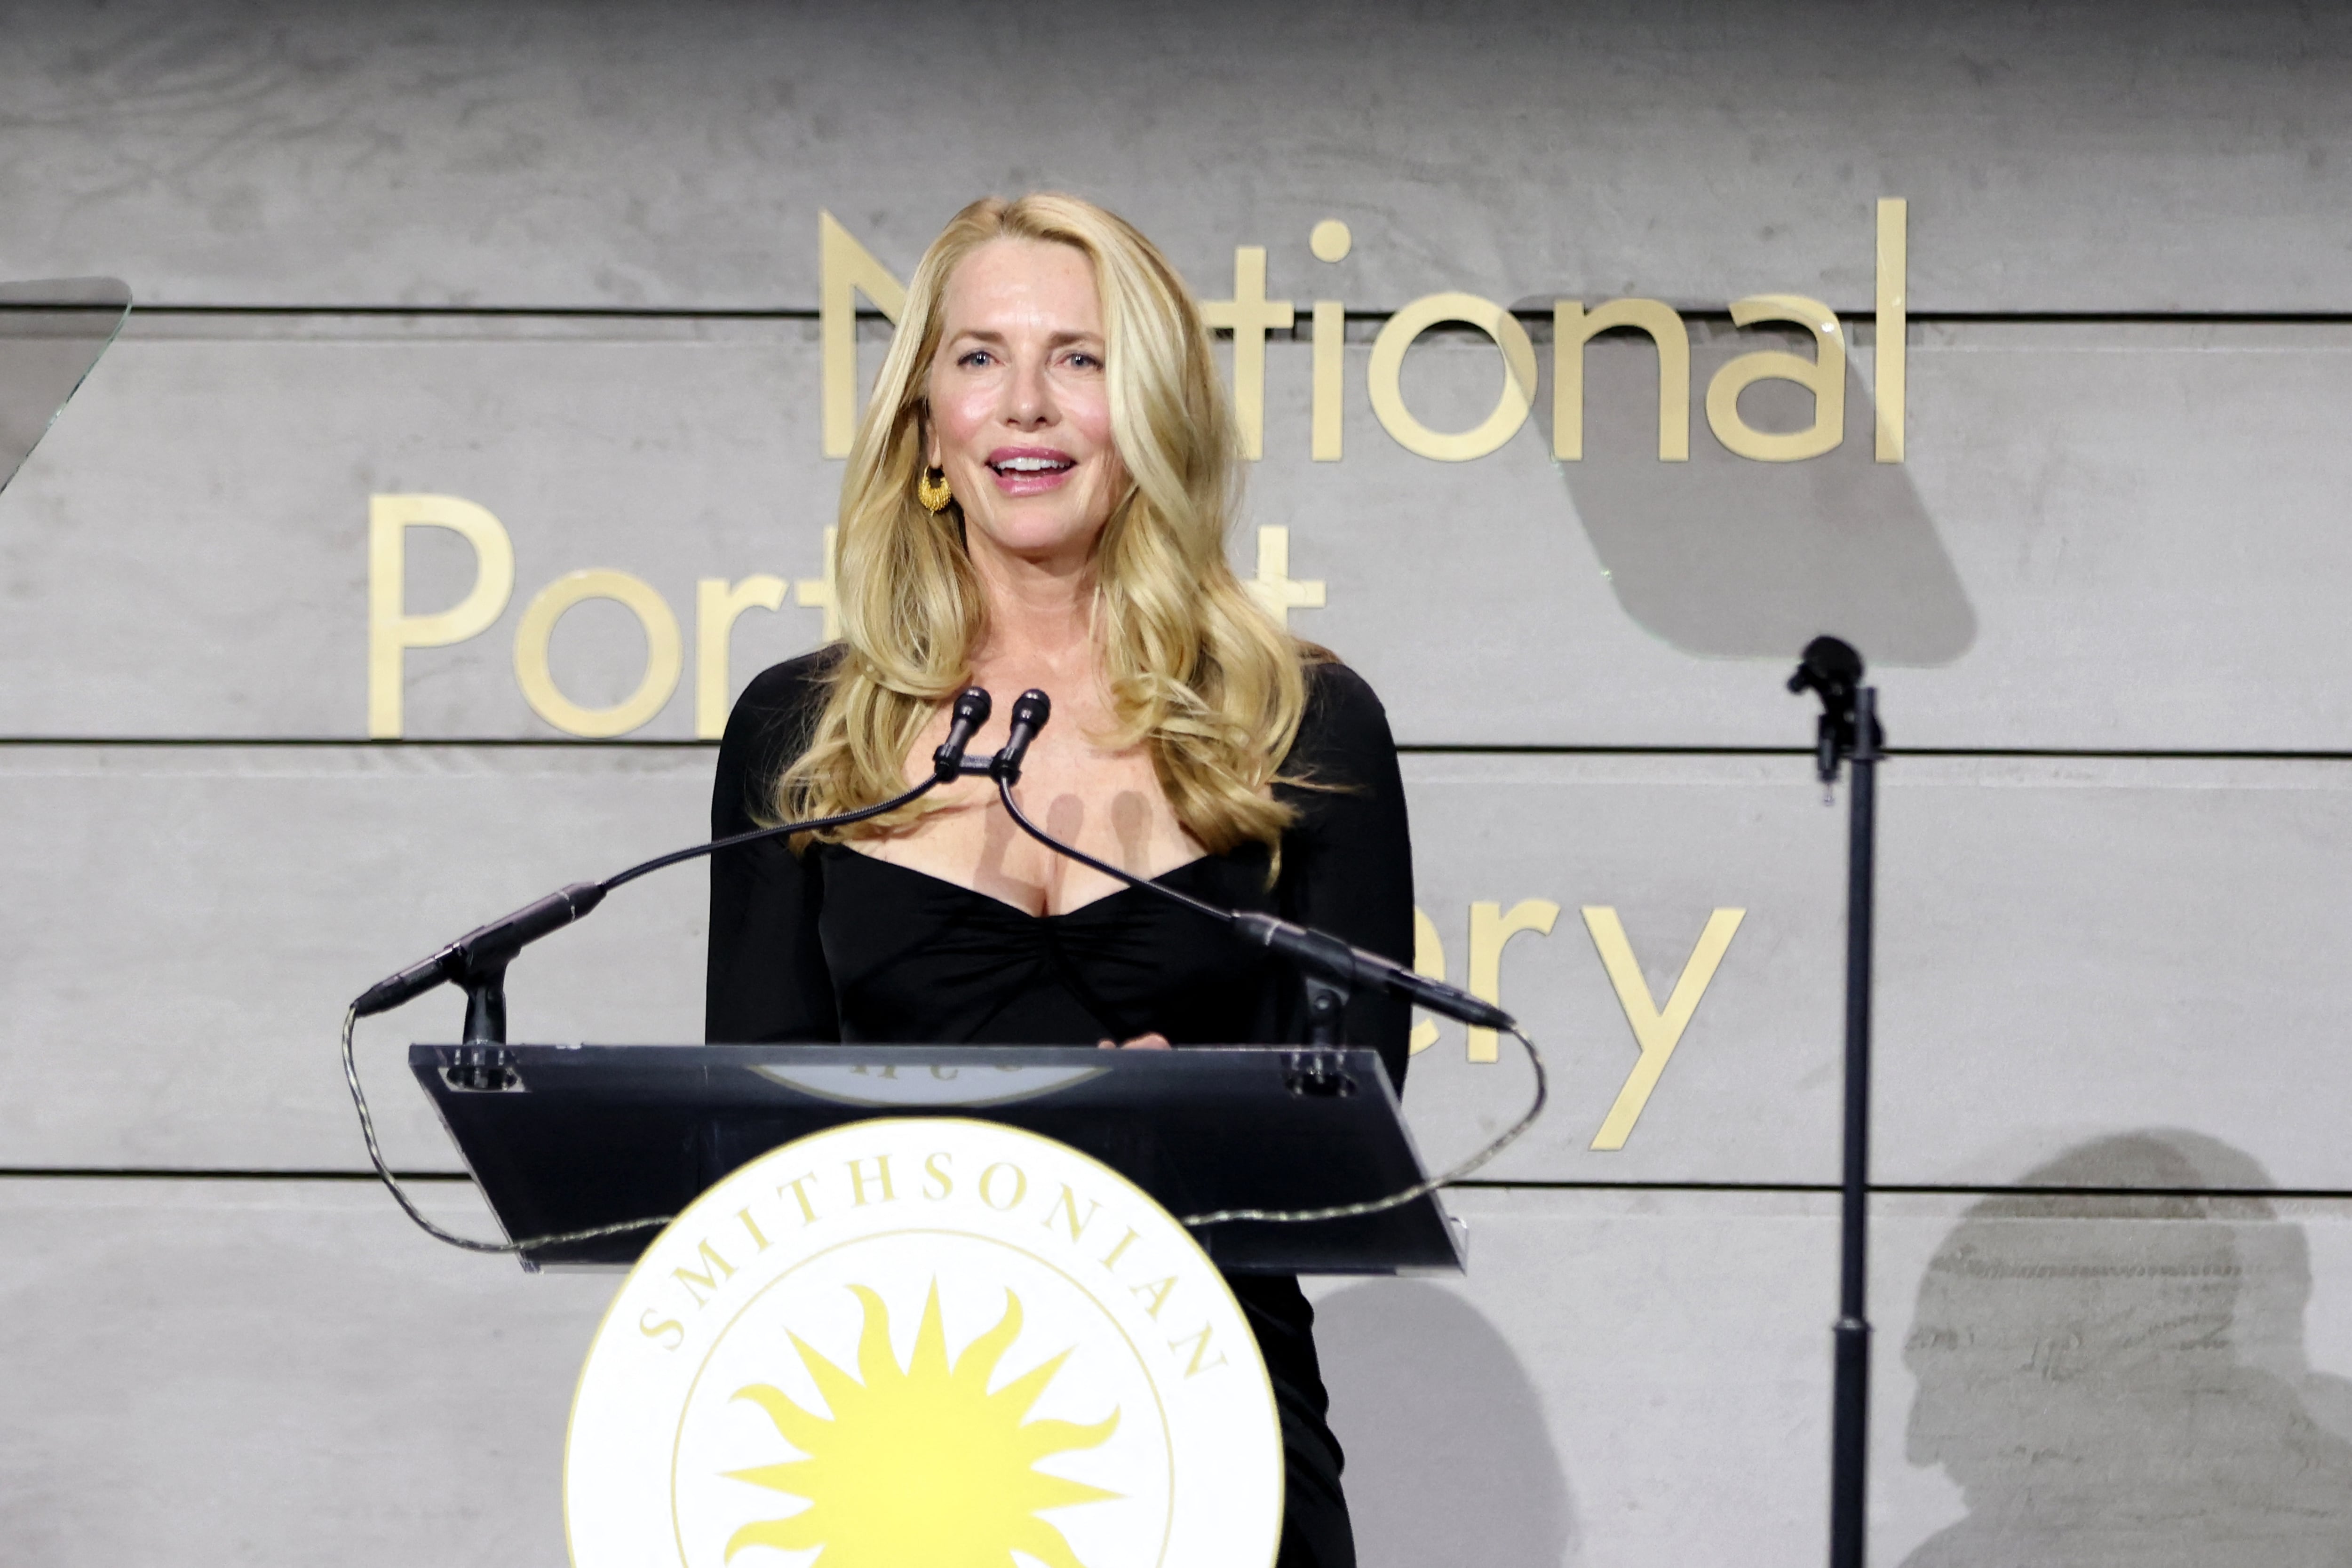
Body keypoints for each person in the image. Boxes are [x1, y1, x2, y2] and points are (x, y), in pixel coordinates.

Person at [706, 192, 1412, 1568]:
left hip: (1208, 1403)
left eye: (1078, 360)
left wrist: (1185, 1126)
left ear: (1149, 413)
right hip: (896, 1426)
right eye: (978, 358)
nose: (1024, 406)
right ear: (924, 421)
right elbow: (753, 1131)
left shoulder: (1299, 720)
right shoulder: (803, 732)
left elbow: (1355, 1126)